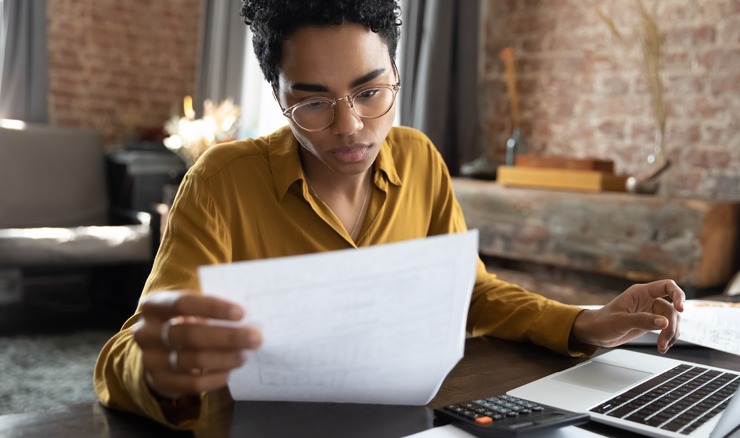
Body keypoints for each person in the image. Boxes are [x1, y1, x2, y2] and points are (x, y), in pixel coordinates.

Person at [94, 0, 685, 429]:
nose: (350, 126)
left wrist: (584, 322)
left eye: (371, 92)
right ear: (278, 97)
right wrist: (157, 370)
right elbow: (128, 350)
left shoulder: (421, 160)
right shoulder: (221, 183)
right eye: (314, 102)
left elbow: (471, 294)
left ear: (396, 76)